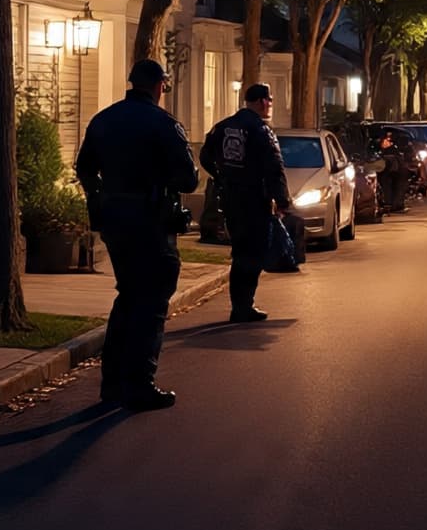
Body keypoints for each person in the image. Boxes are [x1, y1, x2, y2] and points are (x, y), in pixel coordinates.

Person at [76, 58, 199, 411]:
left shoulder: (103, 120)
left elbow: (85, 168)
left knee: (127, 297)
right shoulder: (164, 124)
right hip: (151, 222)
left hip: (115, 221)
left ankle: (112, 384)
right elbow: (188, 179)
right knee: (152, 303)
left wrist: (100, 198)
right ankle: (140, 383)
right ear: (160, 85)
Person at [200, 83, 301, 322]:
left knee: (240, 251)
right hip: (256, 200)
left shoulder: (223, 127)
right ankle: (244, 305)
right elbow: (274, 168)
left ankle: (240, 304)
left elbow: (205, 156)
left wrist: (221, 175)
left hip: (231, 200)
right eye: (270, 100)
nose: (270, 105)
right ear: (262, 101)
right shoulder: (260, 130)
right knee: (254, 253)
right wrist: (283, 201)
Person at [376, 130, 408, 213]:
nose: (386, 143)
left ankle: (394, 204)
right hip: (388, 172)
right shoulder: (378, 150)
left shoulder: (394, 150)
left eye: (388, 141)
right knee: (388, 187)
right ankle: (390, 204)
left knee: (395, 187)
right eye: (385, 141)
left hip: (394, 172)